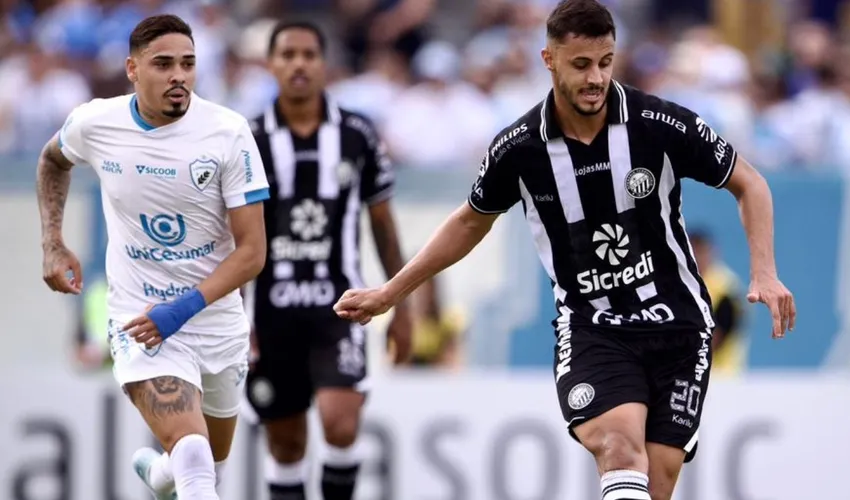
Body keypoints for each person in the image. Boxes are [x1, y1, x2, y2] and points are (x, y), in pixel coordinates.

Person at [333, 1, 797, 499]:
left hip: (678, 327)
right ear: (549, 60)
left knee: (656, 482)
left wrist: (764, 272)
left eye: (605, 62)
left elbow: (749, 183)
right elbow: (469, 221)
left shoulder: (657, 124)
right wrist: (391, 292)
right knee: (621, 450)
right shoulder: (519, 148)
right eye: (581, 64)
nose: (596, 77)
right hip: (594, 328)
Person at [36, 14, 270, 500]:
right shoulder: (96, 122)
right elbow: (53, 159)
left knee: (202, 466)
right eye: (163, 64)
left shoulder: (227, 133)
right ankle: (176, 472)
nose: (178, 76)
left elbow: (252, 253)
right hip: (140, 318)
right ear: (132, 69)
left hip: (213, 318)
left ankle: (161, 476)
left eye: (187, 64)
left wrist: (182, 309)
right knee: (196, 462)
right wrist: (53, 242)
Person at [242, 20, 411, 500]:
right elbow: (235, 237)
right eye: (288, 54)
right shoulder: (248, 138)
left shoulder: (357, 134)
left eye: (309, 54)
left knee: (340, 424)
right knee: (286, 443)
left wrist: (404, 306)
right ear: (271, 64)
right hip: (270, 314)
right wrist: (234, 315)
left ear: (324, 64)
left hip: (341, 308)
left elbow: (383, 224)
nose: (299, 64)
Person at [689, 229, 746, 376]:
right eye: (692, 250)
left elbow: (715, 340)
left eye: (701, 251)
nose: (696, 257)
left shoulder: (726, 289)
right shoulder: (679, 285)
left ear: (712, 252)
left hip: (721, 377)